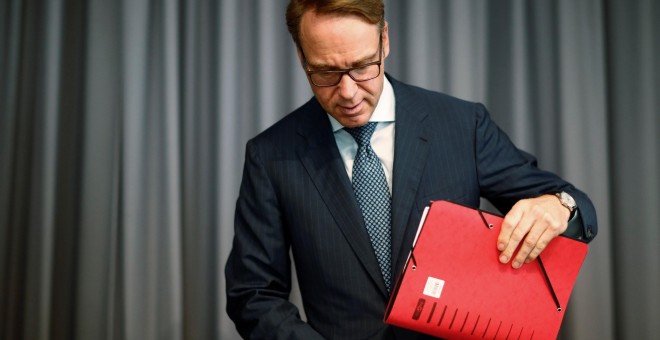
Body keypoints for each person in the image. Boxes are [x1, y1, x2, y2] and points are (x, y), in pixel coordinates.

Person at [225, 0, 598, 339]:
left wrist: (558, 206)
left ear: (384, 40)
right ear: (301, 55)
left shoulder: (462, 125)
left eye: (362, 67)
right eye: (325, 73)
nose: (349, 92)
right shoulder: (271, 155)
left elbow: (575, 206)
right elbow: (252, 294)